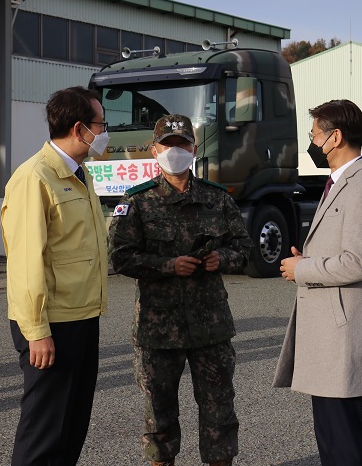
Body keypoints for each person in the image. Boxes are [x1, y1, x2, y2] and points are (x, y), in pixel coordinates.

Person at [108, 114, 251, 466]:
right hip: (159, 328)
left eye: (182, 145)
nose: (176, 152)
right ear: (155, 150)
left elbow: (245, 247)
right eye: (168, 146)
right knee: (159, 417)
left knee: (219, 412)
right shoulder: (137, 201)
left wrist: (224, 258)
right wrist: (169, 266)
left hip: (211, 325)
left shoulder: (217, 199)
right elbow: (120, 256)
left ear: (194, 149)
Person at [274, 99, 362, 465]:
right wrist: (308, 259)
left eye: (314, 134)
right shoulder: (340, 182)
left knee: (341, 443)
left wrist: (302, 270)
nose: (311, 141)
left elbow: (358, 262)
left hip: (340, 333)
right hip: (328, 332)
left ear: (335, 137)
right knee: (330, 438)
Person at [1, 86, 110, 464]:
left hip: (81, 316)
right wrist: (37, 333)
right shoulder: (36, 177)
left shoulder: (79, 174)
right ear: (80, 130)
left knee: (71, 425)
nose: (105, 133)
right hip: (53, 325)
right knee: (44, 430)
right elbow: (26, 261)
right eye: (101, 124)